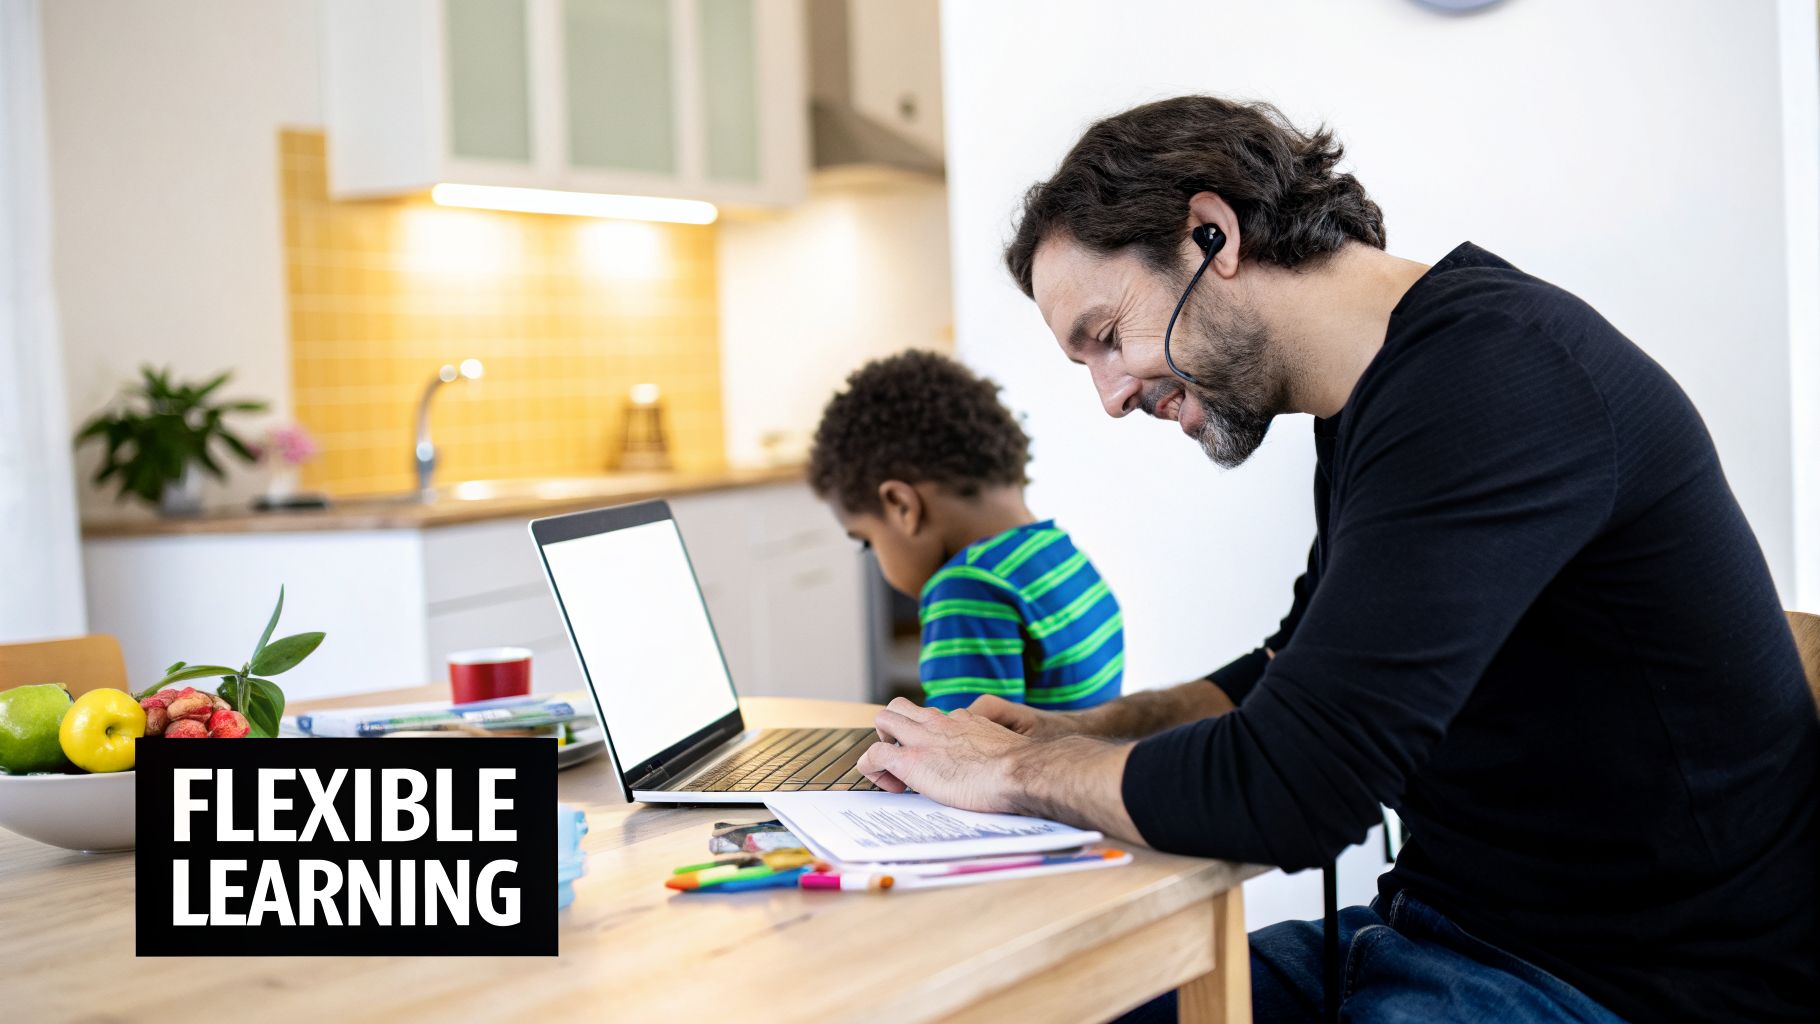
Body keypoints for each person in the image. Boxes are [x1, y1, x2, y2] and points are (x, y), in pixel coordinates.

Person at [855, 96, 1820, 1022]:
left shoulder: (1496, 382)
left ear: (1212, 236)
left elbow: (1293, 790)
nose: (1110, 395)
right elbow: (1287, 667)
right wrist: (1080, 727)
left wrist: (1016, 777)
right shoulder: (1376, 395)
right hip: (1440, 934)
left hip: (1616, 983)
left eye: (1107, 338)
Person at [808, 350, 1124, 712]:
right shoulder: (1059, 555)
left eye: (868, 541)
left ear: (902, 506)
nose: (876, 556)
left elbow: (963, 760)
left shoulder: (967, 588)